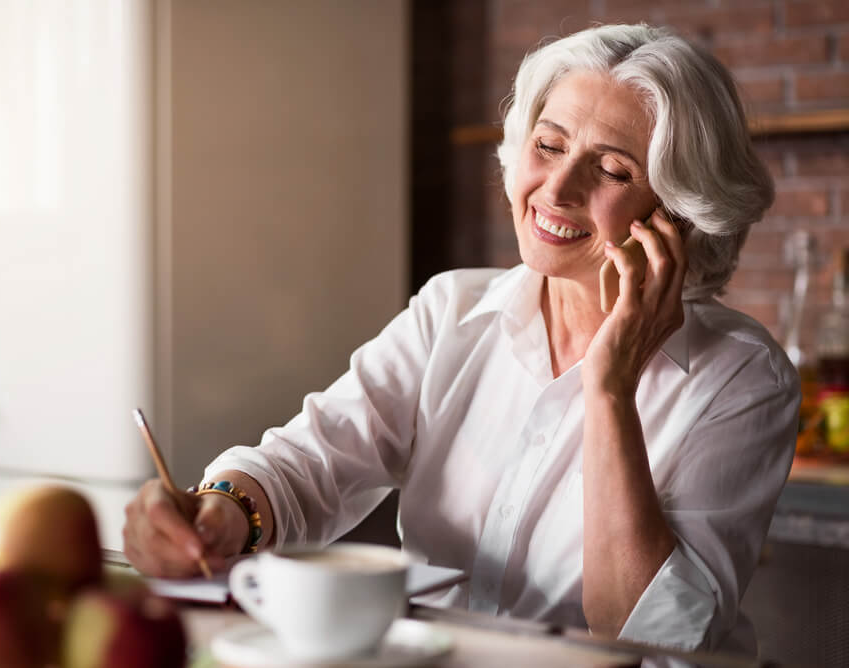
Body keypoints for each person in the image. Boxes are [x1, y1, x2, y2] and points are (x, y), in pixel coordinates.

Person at [123, 23, 799, 656]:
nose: (557, 189)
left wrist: (611, 387)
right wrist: (220, 515)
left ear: (679, 214)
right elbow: (309, 464)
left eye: (613, 170)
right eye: (549, 145)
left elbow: (648, 634)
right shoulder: (452, 310)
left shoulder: (743, 377)